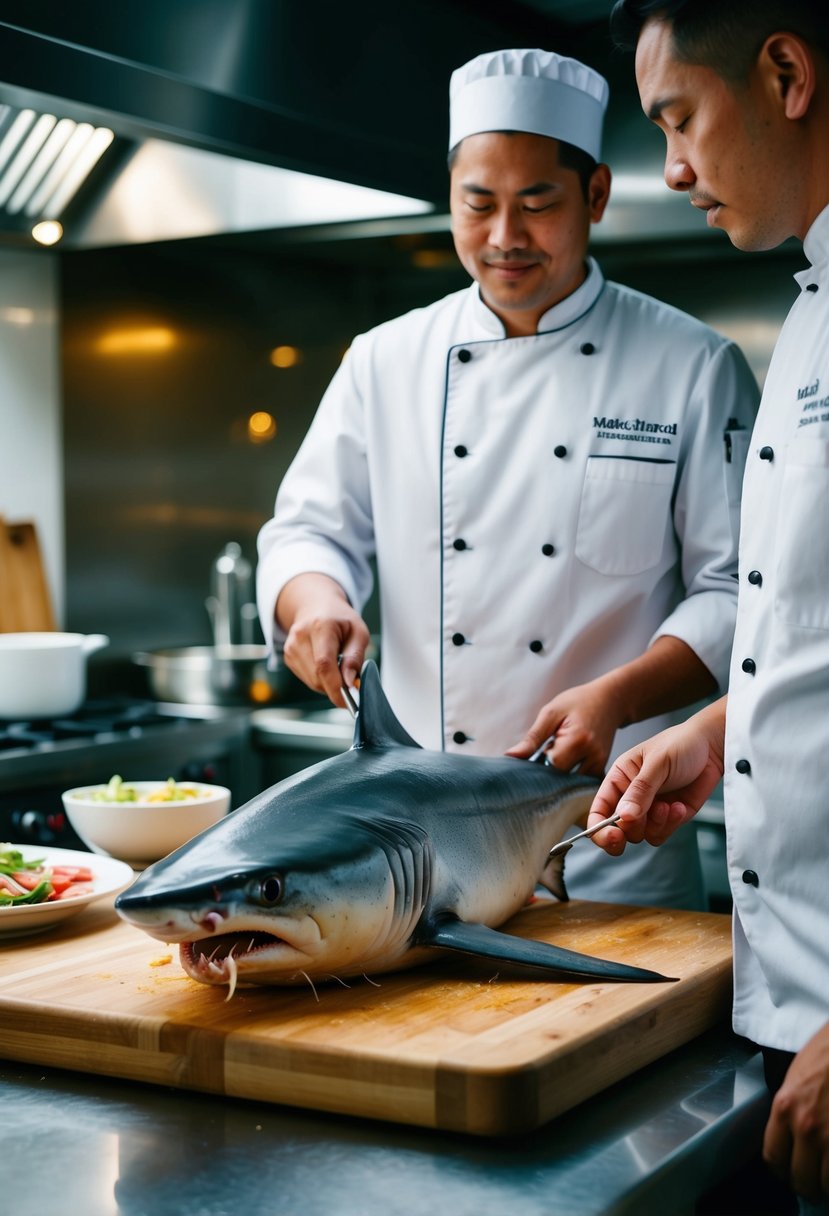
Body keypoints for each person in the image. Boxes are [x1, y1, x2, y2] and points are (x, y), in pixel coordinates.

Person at [256, 47, 759, 910]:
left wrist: (616, 695)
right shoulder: (384, 359)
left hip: (608, 834)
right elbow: (308, 531)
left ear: (594, 195)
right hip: (417, 856)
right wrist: (315, 604)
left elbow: (735, 590)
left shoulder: (691, 364)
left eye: (536, 204)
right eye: (477, 205)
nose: (503, 238)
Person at [586, 1, 829, 1209]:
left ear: (785, 72)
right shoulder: (806, 314)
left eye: (677, 118)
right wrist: (714, 736)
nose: (671, 168)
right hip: (792, 1004)